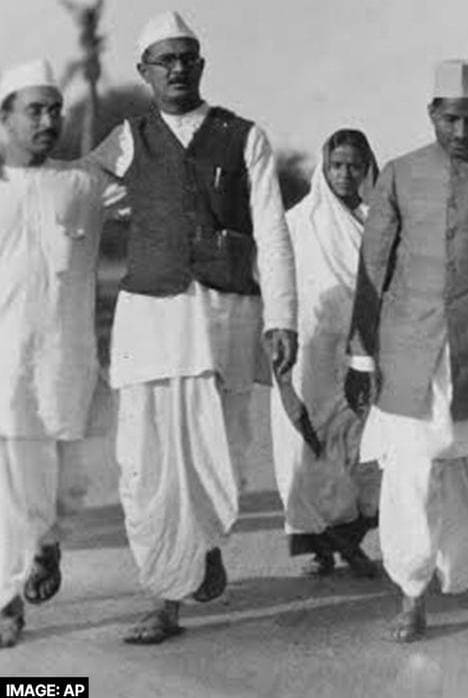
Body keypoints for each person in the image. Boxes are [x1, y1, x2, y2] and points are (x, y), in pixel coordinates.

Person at [88, 11, 298, 644]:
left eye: (187, 57)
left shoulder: (244, 136)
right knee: (146, 462)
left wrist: (282, 318)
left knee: (218, 458)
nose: (177, 68)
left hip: (222, 320)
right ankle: (165, 597)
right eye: (165, 60)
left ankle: (203, 543)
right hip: (149, 322)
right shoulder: (126, 139)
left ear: (201, 64)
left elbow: (273, 234)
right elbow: (76, 200)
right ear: (144, 71)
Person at [345, 59, 468, 643]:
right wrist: (360, 357)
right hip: (411, 353)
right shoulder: (399, 174)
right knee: (409, 476)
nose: (461, 131)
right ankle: (411, 595)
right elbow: (371, 271)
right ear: (432, 112)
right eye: (450, 119)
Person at [0, 59, 109, 649]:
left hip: (64, 363)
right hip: (4, 365)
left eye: (54, 110)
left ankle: (45, 543)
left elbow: (152, 177)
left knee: (57, 484)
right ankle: (6, 598)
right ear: (5, 119)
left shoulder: (83, 183)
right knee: (7, 484)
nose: (48, 121)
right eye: (34, 110)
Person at [273, 129, 382, 578]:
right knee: (313, 444)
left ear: (367, 169)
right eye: (337, 165)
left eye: (354, 165)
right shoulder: (298, 221)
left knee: (359, 444)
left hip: (362, 348)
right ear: (324, 167)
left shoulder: (378, 221)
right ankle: (322, 546)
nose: (345, 174)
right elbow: (278, 284)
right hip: (312, 349)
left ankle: (350, 541)